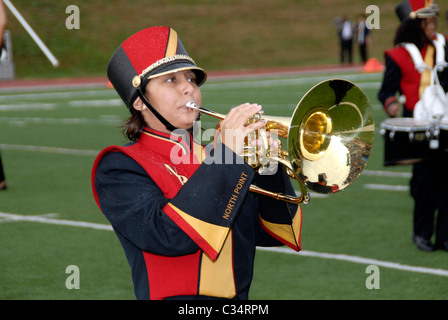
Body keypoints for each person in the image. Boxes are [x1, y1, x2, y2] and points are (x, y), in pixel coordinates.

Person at [91, 26, 302, 300]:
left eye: (191, 79)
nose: (188, 87)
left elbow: (272, 232)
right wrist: (226, 158)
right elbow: (169, 236)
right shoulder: (119, 166)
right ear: (140, 101)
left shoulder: (219, 157)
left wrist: (266, 166)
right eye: (171, 80)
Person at [378, 0, 448, 252]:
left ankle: (444, 237)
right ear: (416, 25)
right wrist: (392, 105)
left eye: (435, 21)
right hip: (418, 129)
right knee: (425, 184)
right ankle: (421, 233)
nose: (434, 26)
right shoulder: (399, 55)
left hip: (445, 124)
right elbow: (386, 92)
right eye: (428, 21)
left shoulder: (444, 45)